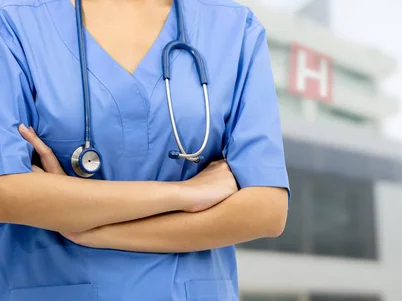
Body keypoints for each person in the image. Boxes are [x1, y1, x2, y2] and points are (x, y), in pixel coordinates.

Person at [0, 0, 289, 300]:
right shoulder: (15, 22)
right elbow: (7, 193)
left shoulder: (233, 27)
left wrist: (91, 231)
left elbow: (267, 209)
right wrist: (187, 194)